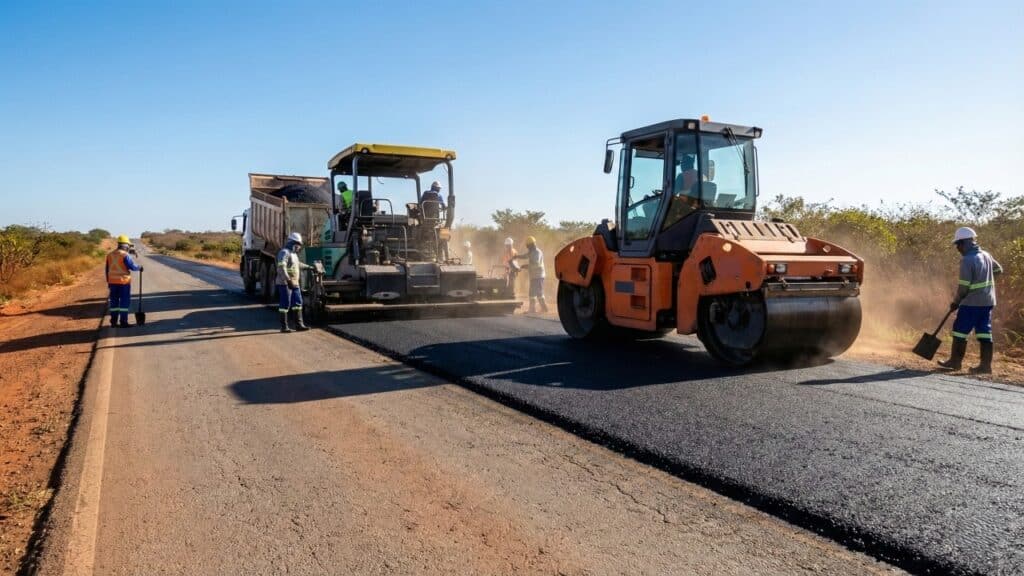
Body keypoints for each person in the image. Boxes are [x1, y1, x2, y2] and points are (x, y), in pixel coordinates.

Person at [938, 227, 1003, 374]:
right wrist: (986, 284)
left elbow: (964, 288)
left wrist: (955, 302)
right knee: (984, 332)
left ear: (964, 243)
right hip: (988, 302)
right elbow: (999, 270)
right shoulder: (986, 255)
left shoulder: (967, 260)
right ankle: (985, 366)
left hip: (972, 303)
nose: (957, 248)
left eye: (958, 244)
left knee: (960, 331)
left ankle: (955, 362)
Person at [276, 232, 311, 333]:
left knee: (298, 303)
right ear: (292, 243)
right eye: (297, 245)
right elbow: (281, 268)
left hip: (295, 283)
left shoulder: (294, 254)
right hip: (285, 283)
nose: (299, 247)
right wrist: (288, 280)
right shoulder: (284, 252)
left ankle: (299, 324)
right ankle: (284, 327)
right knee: (285, 304)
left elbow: (297, 264)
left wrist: (309, 267)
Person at [105, 235, 142, 327]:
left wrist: (108, 282)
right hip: (123, 283)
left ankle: (113, 322)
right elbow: (132, 267)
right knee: (124, 303)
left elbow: (107, 270)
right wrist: (139, 267)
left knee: (114, 302)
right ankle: (123, 322)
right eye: (128, 245)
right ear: (125, 245)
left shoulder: (110, 255)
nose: (129, 247)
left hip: (112, 283)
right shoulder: (125, 255)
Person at [514, 236, 548, 314]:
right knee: (539, 292)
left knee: (532, 293)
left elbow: (536, 265)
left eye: (528, 246)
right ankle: (544, 308)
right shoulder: (532, 251)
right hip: (536, 275)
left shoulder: (537, 253)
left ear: (531, 245)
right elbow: (525, 256)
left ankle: (532, 309)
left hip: (538, 275)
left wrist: (524, 266)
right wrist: (517, 256)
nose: (528, 248)